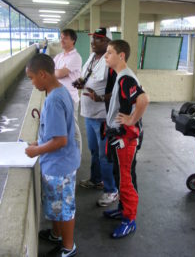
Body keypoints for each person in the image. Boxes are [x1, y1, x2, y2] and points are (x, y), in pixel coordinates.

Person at [25, 54, 80, 257]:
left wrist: (35, 151)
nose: (32, 83)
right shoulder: (59, 91)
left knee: (65, 208)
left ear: (42, 74)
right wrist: (39, 142)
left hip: (60, 165)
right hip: (59, 163)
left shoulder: (54, 100)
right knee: (57, 203)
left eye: (31, 78)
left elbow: (60, 140)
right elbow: (55, 131)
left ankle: (68, 247)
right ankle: (57, 234)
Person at [103, 39, 149, 239]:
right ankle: (123, 209)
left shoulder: (126, 78)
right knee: (120, 176)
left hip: (126, 140)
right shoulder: (120, 76)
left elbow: (143, 100)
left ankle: (129, 220)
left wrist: (131, 120)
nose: (106, 56)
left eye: (109, 52)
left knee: (125, 179)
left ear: (121, 56)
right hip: (118, 137)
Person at [73, 27, 118, 207]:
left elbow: (117, 92)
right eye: (93, 39)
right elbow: (88, 76)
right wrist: (81, 83)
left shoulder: (111, 64)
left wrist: (99, 98)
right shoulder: (92, 58)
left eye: (99, 39)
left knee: (105, 155)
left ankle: (111, 190)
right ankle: (96, 179)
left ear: (108, 43)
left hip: (103, 117)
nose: (93, 42)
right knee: (94, 151)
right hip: (89, 114)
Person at [54, 29, 82, 152]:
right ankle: (67, 153)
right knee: (61, 127)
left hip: (70, 98)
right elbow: (51, 71)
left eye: (65, 37)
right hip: (58, 97)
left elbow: (59, 73)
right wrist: (55, 72)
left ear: (73, 40)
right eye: (61, 37)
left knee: (73, 128)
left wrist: (55, 71)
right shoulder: (59, 56)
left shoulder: (75, 57)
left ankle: (77, 155)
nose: (62, 40)